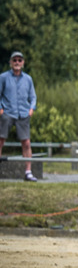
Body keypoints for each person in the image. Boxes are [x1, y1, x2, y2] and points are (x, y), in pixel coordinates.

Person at [0, 51, 38, 181]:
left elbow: (33, 96)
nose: (17, 62)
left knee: (26, 143)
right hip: (7, 112)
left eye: (19, 60)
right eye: (14, 60)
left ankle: (28, 172)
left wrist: (31, 108)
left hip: (23, 113)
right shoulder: (3, 77)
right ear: (10, 62)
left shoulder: (28, 79)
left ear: (23, 63)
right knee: (1, 140)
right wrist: (1, 109)